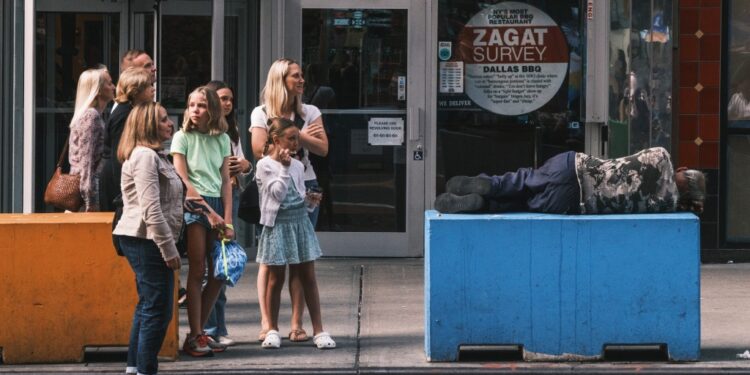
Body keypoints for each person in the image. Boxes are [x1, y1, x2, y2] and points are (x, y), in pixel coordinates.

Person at [250, 58, 328, 343]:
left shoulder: (310, 111)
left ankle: (297, 323)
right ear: (280, 81)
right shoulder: (261, 113)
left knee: (301, 260)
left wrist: (296, 136)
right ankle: (268, 323)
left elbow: (322, 148)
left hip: (305, 184)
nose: (302, 80)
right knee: (271, 263)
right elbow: (259, 149)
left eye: (302, 75)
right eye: (296, 76)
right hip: (274, 190)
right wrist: (300, 137)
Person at [113, 102, 182, 375]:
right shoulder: (144, 156)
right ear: (149, 125)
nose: (171, 124)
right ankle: (145, 369)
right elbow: (151, 210)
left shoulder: (156, 156)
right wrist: (169, 250)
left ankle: (135, 368)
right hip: (146, 239)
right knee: (158, 310)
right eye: (164, 120)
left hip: (147, 239)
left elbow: (168, 200)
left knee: (148, 306)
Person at [255, 117, 335, 350]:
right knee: (275, 279)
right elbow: (277, 194)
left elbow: (297, 196)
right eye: (291, 139)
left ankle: (319, 329)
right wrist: (284, 168)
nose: (295, 144)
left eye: (297, 139)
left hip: (299, 224)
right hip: (278, 225)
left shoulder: (299, 166)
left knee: (307, 276)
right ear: (276, 139)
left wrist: (310, 202)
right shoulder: (265, 165)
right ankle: (271, 328)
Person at [435, 147, 706, 216]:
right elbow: (676, 201)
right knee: (524, 205)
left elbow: (663, 163)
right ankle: (483, 205)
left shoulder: (661, 157)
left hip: (574, 167)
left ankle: (490, 184)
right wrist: (687, 204)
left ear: (682, 168)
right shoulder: (667, 206)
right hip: (573, 203)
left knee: (524, 179)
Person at [171, 86, 233, 357]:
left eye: (202, 106)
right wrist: (210, 212)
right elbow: (183, 181)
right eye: (191, 105)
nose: (195, 110)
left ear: (212, 110)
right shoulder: (181, 137)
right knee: (197, 271)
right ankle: (196, 333)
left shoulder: (223, 139)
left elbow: (226, 183)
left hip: (217, 205)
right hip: (195, 207)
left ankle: (201, 332)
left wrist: (227, 218)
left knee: (220, 272)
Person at [202, 80, 252, 347]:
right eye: (222, 98)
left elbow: (243, 163)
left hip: (229, 196)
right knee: (211, 267)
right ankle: (208, 328)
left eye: (230, 99)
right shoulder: (200, 134)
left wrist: (243, 165)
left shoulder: (230, 132)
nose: (228, 103)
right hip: (210, 201)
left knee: (223, 265)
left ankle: (218, 327)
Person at [100, 67, 155, 211]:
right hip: (116, 180)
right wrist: (124, 192)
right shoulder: (124, 113)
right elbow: (119, 154)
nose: (153, 89)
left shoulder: (133, 110)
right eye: (149, 86)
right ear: (135, 90)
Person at [68, 67, 116, 212]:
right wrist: (91, 201)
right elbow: (86, 162)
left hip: (88, 190)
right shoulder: (91, 116)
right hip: (87, 196)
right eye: (109, 83)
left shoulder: (95, 115)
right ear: (98, 90)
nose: (114, 87)